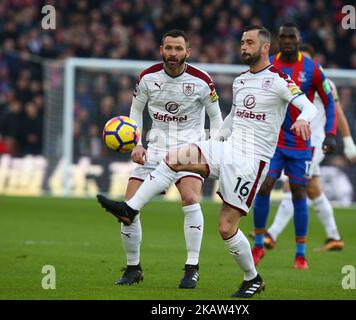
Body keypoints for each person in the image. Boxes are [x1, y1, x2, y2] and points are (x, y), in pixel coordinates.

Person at [96, 25, 317, 298]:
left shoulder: (279, 80)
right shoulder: (241, 80)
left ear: (265, 48)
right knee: (173, 158)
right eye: (242, 41)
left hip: (251, 160)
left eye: (249, 42)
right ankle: (130, 209)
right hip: (226, 148)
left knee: (226, 227)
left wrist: (304, 118)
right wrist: (215, 141)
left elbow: (309, 106)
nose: (243, 47)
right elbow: (233, 118)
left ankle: (252, 279)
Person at [107, 29, 223, 289]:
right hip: (155, 150)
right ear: (161, 49)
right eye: (168, 48)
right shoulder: (148, 77)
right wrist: (136, 144)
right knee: (128, 210)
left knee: (190, 198)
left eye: (178, 49)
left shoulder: (202, 80)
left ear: (187, 52)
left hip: (189, 150)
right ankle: (133, 268)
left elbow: (216, 117)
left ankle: (192, 268)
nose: (173, 54)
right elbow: (136, 110)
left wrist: (212, 147)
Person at [250, 23, 337, 269]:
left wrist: (330, 134)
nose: (287, 41)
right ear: (278, 40)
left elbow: (329, 102)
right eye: (283, 37)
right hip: (272, 141)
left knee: (299, 192)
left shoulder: (313, 69)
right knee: (265, 186)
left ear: (299, 39)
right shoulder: (268, 64)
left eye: (292, 37)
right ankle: (258, 244)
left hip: (301, 144)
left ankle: (300, 254)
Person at [258, 44, 356, 252]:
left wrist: (348, 142)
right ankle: (334, 237)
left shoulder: (324, 82)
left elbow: (337, 111)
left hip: (313, 144)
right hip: (292, 141)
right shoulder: (285, 82)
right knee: (313, 190)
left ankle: (271, 234)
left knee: (293, 187)